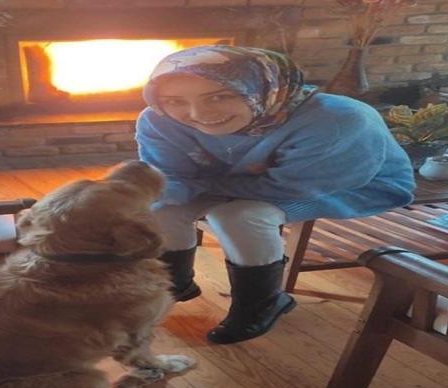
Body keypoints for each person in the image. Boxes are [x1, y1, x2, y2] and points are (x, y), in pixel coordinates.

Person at [136, 45, 415, 344]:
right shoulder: (158, 119)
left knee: (239, 216)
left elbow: (292, 187)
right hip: (233, 180)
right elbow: (170, 175)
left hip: (346, 183)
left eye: (221, 96)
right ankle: (172, 283)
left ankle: (263, 303)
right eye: (174, 101)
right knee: (158, 206)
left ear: (263, 88)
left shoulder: (339, 121)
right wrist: (146, 196)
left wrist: (199, 186)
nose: (197, 114)